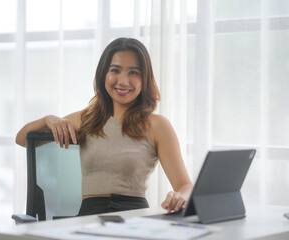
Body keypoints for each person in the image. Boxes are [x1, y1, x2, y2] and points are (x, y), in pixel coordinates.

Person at [16, 37, 193, 216]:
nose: (123, 81)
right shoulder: (86, 119)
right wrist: (49, 119)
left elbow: (185, 186)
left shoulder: (156, 125)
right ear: (103, 75)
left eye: (133, 73)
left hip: (133, 220)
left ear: (144, 79)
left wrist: (181, 197)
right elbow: (22, 139)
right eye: (115, 70)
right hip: (87, 220)